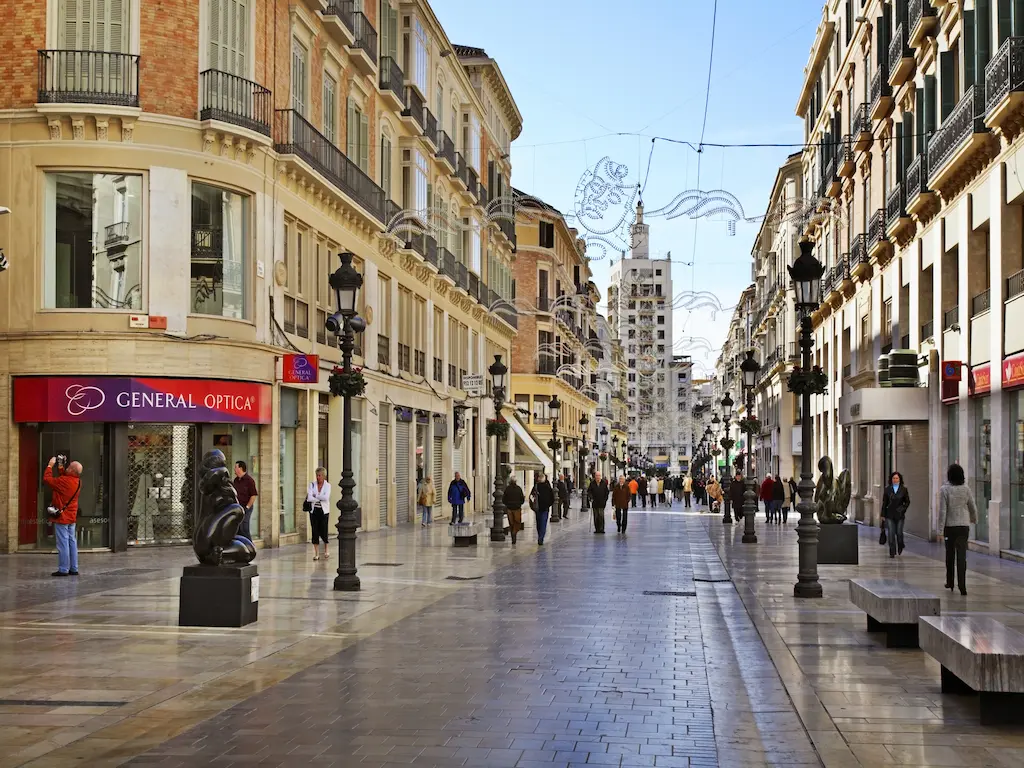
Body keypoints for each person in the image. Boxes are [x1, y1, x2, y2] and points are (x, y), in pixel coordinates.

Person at [939, 464, 976, 595]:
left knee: (950, 555)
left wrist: (939, 530)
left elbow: (943, 511)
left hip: (950, 527)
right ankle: (962, 585)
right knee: (962, 556)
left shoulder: (944, 490)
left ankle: (950, 581)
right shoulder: (966, 489)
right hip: (963, 527)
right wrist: (974, 518)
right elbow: (972, 505)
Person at [44, 455, 83, 577]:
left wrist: (50, 466)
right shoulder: (77, 481)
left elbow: (47, 479)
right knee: (72, 541)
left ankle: (63, 569)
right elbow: (64, 478)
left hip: (62, 517)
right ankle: (74, 568)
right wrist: (60, 466)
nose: (67, 467)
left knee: (63, 543)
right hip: (71, 516)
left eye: (69, 466)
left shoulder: (64, 481)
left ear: (71, 470)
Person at [881, 471, 910, 558]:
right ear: (891, 479)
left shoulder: (904, 489)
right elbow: (884, 503)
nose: (895, 480)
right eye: (894, 478)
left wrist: (902, 509)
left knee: (899, 532)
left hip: (899, 515)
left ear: (900, 479)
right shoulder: (887, 489)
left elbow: (907, 502)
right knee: (891, 532)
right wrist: (882, 514)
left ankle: (900, 545)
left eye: (897, 478)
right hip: (889, 514)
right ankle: (892, 550)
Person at [306, 467, 332, 560]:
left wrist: (315, 495)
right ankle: (316, 553)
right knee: (315, 531)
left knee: (324, 530)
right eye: (317, 475)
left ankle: (326, 550)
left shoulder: (327, 485)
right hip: (314, 511)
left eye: (320, 475)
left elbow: (326, 497)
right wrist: (319, 497)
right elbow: (309, 498)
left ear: (324, 476)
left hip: (324, 511)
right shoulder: (312, 485)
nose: (318, 477)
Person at [233, 461, 258, 541]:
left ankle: (250, 547)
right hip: (238, 508)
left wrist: (247, 507)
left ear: (240, 468)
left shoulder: (249, 481)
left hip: (246, 507)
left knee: (244, 527)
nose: (234, 469)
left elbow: (253, 495)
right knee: (238, 528)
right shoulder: (236, 480)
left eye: (236, 467)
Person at [530, 472, 554, 545]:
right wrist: (548, 505)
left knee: (539, 523)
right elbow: (552, 498)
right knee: (543, 523)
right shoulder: (548, 487)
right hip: (544, 508)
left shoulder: (535, 486)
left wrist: (532, 506)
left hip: (537, 508)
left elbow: (531, 497)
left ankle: (540, 537)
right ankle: (541, 538)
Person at [503, 476, 526, 545]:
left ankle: (513, 535)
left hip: (509, 508)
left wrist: (507, 504)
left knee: (511, 523)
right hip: (517, 508)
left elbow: (504, 499)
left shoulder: (507, 489)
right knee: (517, 522)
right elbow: (522, 498)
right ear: (516, 482)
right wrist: (519, 504)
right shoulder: (519, 489)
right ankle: (514, 533)